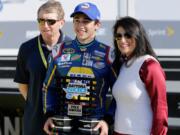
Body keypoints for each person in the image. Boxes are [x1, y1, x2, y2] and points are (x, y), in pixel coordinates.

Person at [42, 2, 116, 135]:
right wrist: (49, 115)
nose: (80, 26)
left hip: (93, 127)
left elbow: (119, 94)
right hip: (63, 125)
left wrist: (107, 120)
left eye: (86, 21)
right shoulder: (58, 51)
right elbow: (48, 87)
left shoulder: (108, 55)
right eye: (77, 21)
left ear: (97, 24)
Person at [14, 1, 71, 135]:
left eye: (50, 21)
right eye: (41, 20)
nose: (45, 26)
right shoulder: (27, 48)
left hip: (65, 121)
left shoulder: (73, 48)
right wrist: (38, 104)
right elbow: (22, 85)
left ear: (61, 22)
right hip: (34, 122)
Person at [110, 16, 168, 135]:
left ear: (137, 36)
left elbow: (160, 108)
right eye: (118, 36)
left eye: (128, 35)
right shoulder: (122, 65)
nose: (122, 40)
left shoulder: (149, 65)